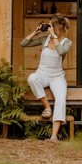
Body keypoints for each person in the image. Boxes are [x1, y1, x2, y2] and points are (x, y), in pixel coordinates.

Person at [21, 13, 72, 142]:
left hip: (57, 77)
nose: (49, 28)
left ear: (58, 27)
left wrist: (54, 36)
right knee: (32, 78)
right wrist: (35, 32)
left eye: (51, 25)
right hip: (42, 74)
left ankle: (54, 136)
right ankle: (47, 107)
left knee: (61, 99)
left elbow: (60, 51)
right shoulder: (45, 39)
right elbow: (24, 43)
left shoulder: (67, 42)